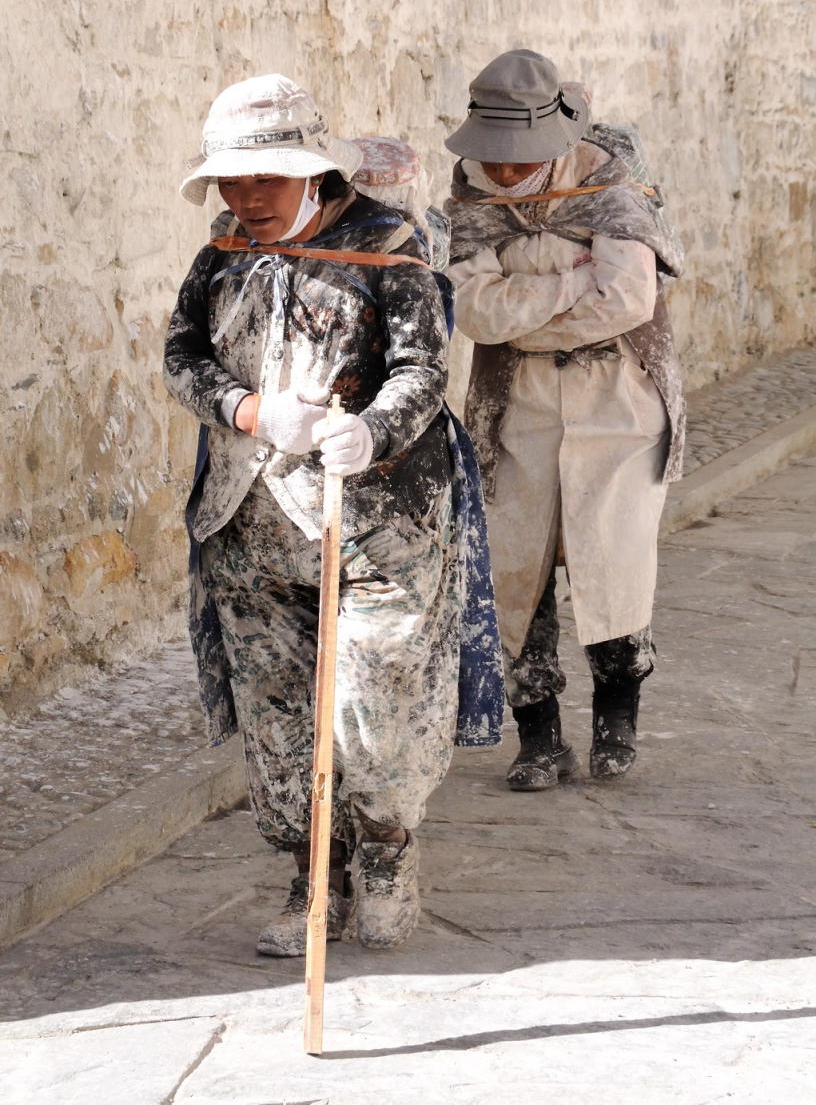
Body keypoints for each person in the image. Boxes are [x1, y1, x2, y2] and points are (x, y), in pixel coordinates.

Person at [163, 73, 500, 956]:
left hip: (375, 524)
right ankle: (312, 878)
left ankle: (386, 851)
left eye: (264, 180)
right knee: (279, 718)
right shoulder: (221, 255)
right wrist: (247, 411)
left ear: (313, 173)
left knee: (372, 709)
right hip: (250, 525)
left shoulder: (390, 248)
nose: (246, 199)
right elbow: (182, 356)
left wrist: (374, 429)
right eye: (232, 182)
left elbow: (424, 370)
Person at [443, 49, 685, 791]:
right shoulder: (471, 199)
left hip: (619, 399)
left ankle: (618, 719)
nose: (507, 174)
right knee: (516, 569)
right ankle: (539, 737)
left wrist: (525, 296)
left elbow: (628, 302)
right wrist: (575, 278)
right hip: (516, 404)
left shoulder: (613, 185)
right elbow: (472, 310)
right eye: (497, 160)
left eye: (520, 161)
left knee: (614, 559)